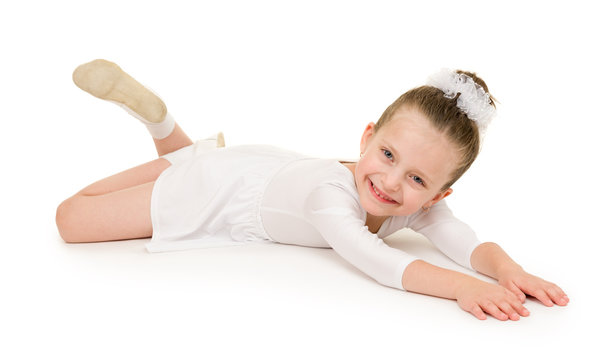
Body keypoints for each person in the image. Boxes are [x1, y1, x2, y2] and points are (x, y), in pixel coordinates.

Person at [56, 59, 569, 321]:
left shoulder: (414, 206)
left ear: (438, 196)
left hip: (260, 168)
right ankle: (165, 132)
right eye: (387, 155)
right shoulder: (331, 198)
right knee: (71, 218)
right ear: (368, 137)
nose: (391, 183)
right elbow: (381, 263)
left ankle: (176, 142)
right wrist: (464, 287)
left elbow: (468, 242)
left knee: (193, 163)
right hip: (221, 192)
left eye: (417, 179)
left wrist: (509, 272)